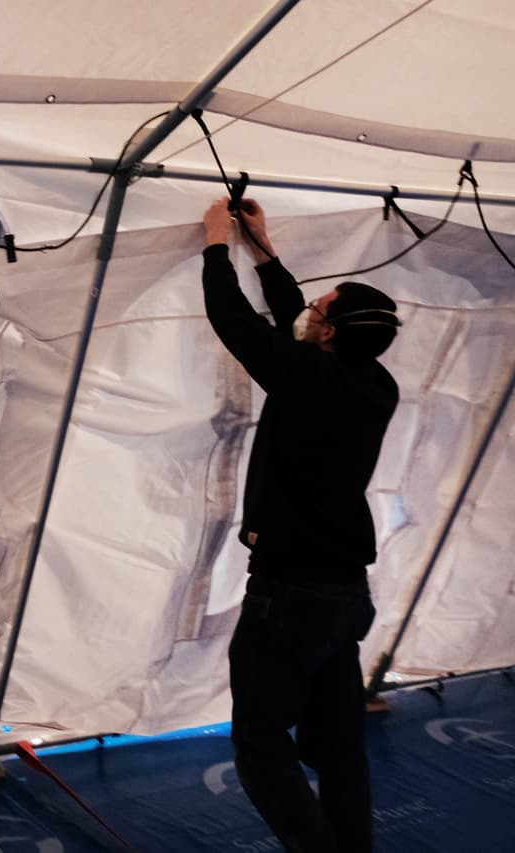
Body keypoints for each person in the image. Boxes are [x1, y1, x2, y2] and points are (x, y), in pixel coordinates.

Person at [202, 197, 401, 852]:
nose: (309, 310)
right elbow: (296, 326)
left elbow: (237, 324)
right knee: (340, 747)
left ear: (331, 334)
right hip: (344, 594)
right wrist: (264, 252)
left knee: (261, 745)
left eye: (320, 309)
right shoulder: (375, 383)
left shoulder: (308, 376)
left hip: (290, 595)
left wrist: (213, 248)